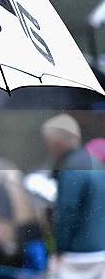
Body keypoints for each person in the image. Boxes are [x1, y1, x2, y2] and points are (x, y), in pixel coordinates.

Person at [41, 113, 105, 279]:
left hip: (78, 256)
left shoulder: (72, 167)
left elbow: (67, 212)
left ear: (57, 143)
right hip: (100, 251)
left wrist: (58, 250)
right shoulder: (94, 162)